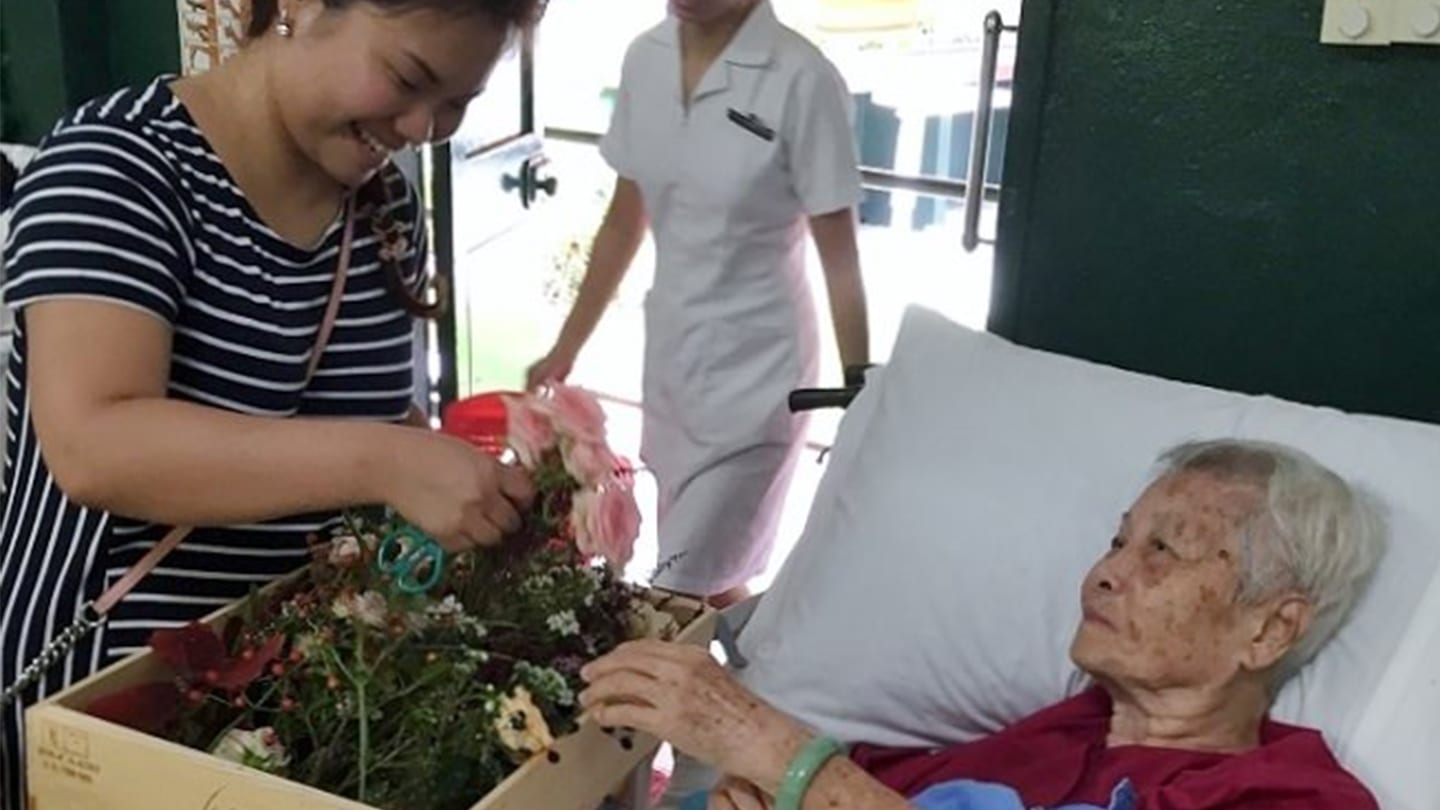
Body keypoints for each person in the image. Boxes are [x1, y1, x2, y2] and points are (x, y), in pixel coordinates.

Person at [0, 1, 543, 806]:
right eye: (407, 78)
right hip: (109, 698)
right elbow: (94, 445)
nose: (424, 126)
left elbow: (374, 416)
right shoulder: (115, 168)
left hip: (287, 700)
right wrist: (387, 462)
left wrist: (454, 481)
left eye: (458, 104)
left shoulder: (386, 211)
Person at [579, 440, 1387, 809]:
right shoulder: (1051, 741)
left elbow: (826, 781)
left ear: (1269, 631)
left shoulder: (1293, 798)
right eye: (1117, 540)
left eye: (1165, 551)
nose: (1105, 571)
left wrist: (786, 759)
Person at [525, 0, 870, 607]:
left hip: (761, 382)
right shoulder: (646, 60)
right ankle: (766, 685)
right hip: (673, 368)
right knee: (716, 586)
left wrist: (859, 383)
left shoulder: (801, 78)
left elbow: (838, 254)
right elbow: (623, 222)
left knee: (672, 591)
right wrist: (566, 347)